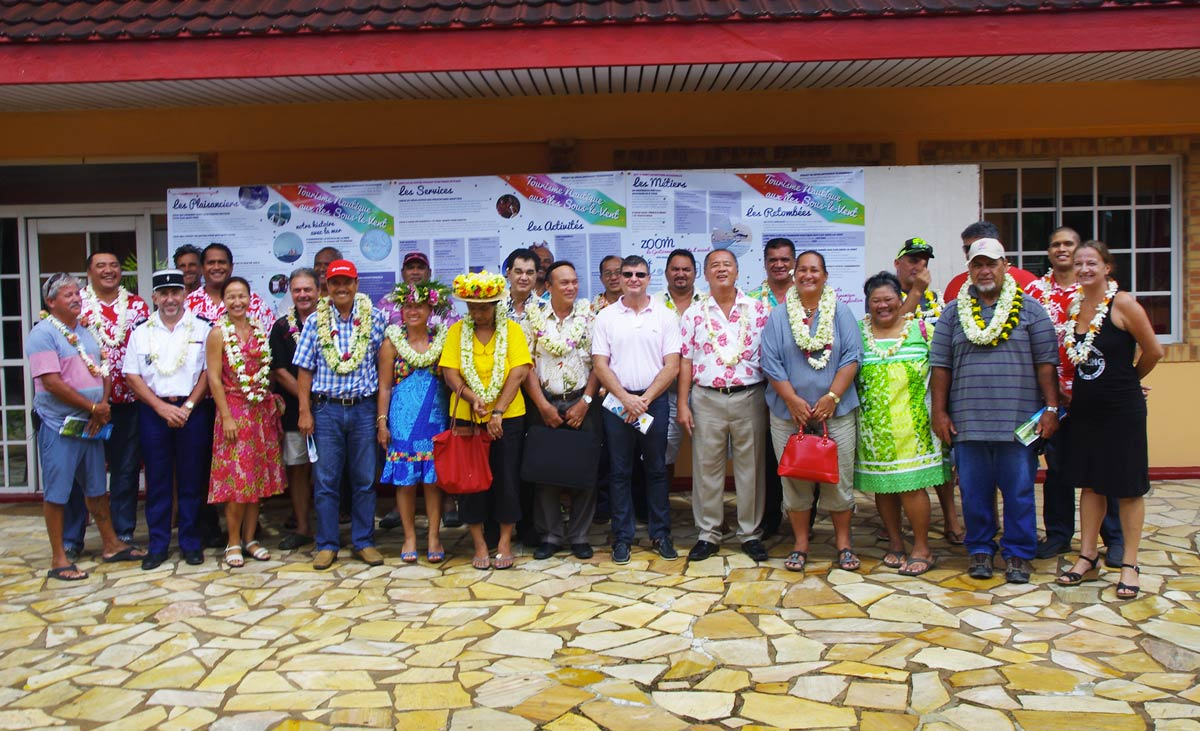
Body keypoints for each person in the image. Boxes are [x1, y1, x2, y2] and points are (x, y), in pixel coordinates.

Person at [930, 238, 1060, 584]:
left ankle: (1018, 554)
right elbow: (941, 366)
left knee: (1018, 491)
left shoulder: (1031, 309)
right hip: (968, 423)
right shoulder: (952, 314)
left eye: (991, 263)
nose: (984, 271)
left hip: (1018, 423)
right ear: (969, 270)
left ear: (1005, 265)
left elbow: (1046, 364)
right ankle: (981, 550)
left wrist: (1050, 408)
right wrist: (939, 412)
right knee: (973, 492)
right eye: (977, 265)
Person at [1057, 241, 1163, 599]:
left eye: (1092, 263)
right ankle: (1088, 556)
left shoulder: (1123, 304)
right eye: (1079, 264)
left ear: (1107, 268)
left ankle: (1130, 564)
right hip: (1086, 409)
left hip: (1122, 409)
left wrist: (1130, 380)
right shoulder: (1076, 307)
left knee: (1128, 487)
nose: (1084, 269)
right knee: (1090, 484)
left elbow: (1154, 350)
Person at [28, 273, 145, 580]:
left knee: (96, 487)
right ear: (51, 302)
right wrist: (93, 407)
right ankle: (59, 558)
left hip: (91, 424)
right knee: (59, 492)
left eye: (77, 293)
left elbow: (103, 368)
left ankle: (110, 543)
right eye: (68, 295)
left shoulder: (86, 330)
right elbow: (51, 382)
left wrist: (101, 407)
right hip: (59, 425)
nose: (76, 298)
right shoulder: (42, 334)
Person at [1026, 227, 1124, 563]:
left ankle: (1112, 538)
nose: (1062, 249)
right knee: (1059, 468)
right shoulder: (1034, 292)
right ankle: (1058, 534)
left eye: (1069, 243)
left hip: (1094, 393)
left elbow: (1123, 341)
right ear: (1049, 251)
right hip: (1052, 397)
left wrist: (1128, 380)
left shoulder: (1099, 293)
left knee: (1102, 467)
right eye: (1055, 244)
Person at [762, 251, 862, 573]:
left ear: (825, 275)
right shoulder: (779, 316)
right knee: (794, 479)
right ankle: (801, 542)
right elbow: (770, 361)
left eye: (814, 270)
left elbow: (851, 356)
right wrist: (791, 399)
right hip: (788, 414)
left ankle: (843, 543)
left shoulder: (841, 312)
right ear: (794, 275)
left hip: (837, 411)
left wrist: (832, 396)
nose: (808, 275)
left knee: (838, 476)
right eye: (802, 270)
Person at [855, 272, 951, 576]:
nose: (883, 306)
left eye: (888, 299)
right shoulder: (859, 332)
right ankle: (895, 543)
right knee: (883, 488)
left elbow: (941, 372)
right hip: (873, 428)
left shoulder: (922, 330)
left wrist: (941, 412)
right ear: (868, 304)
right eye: (876, 301)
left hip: (914, 425)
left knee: (911, 488)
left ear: (901, 299)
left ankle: (922, 547)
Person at [294, 259, 388, 570]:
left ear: (357, 284)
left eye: (347, 282)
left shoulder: (375, 319)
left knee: (363, 479)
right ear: (327, 288)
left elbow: (382, 366)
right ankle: (327, 543)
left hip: (363, 408)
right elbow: (304, 369)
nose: (342, 288)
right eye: (335, 283)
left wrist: (379, 415)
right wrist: (304, 411)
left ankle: (364, 541)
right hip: (326, 410)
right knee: (326, 480)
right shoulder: (313, 322)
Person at [678, 249, 770, 562]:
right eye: (714, 265)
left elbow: (768, 357)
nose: (721, 269)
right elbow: (686, 361)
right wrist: (682, 402)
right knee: (706, 468)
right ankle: (708, 534)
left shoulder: (758, 310)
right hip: (706, 398)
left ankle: (750, 534)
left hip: (749, 396)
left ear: (737, 270)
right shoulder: (694, 312)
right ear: (705, 274)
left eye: (727, 264)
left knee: (751, 469)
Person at [439, 271, 533, 570]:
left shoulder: (513, 331)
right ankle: (479, 543)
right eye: (473, 308)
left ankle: (504, 541)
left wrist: (497, 411)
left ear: (496, 305)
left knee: (506, 479)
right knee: (472, 483)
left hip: (508, 418)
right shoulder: (457, 332)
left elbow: (519, 371)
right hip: (469, 419)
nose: (478, 313)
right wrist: (471, 398)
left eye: (484, 307)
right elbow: (450, 373)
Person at [592, 255, 682, 564]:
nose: (633, 279)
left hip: (653, 401)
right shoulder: (606, 317)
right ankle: (623, 537)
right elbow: (600, 364)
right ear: (620, 277)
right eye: (627, 274)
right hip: (617, 402)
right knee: (620, 471)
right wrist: (626, 399)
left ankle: (660, 533)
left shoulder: (665, 316)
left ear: (648, 277)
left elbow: (672, 366)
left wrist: (643, 399)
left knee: (656, 469)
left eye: (639, 274)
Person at [62, 251, 150, 560]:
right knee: (78, 471)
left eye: (114, 265)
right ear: (89, 272)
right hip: (85, 405)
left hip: (127, 403)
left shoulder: (137, 306)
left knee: (125, 470)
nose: (109, 271)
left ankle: (122, 532)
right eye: (101, 266)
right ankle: (72, 538)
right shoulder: (76, 306)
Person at [124, 270, 213, 570]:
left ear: (184, 294)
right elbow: (132, 375)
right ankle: (158, 545)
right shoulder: (140, 331)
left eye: (176, 292)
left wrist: (187, 406)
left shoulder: (202, 329)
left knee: (191, 480)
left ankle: (190, 542)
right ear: (155, 298)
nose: (170, 299)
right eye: (164, 294)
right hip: (154, 412)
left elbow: (208, 373)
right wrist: (161, 408)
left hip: (193, 410)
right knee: (158, 482)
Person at [522, 261, 600, 560]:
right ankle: (551, 535)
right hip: (544, 403)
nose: (571, 287)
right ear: (549, 287)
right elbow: (525, 364)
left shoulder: (589, 316)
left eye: (574, 281)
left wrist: (586, 402)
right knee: (546, 472)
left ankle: (580, 535)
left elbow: (598, 362)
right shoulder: (533, 317)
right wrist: (542, 405)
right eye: (563, 283)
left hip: (582, 400)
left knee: (584, 469)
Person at [206, 277, 286, 567]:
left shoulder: (258, 331)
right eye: (231, 297)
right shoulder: (218, 334)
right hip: (234, 413)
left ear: (250, 298)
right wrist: (226, 415)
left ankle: (251, 539)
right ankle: (233, 542)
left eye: (241, 296)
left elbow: (267, 370)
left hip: (260, 413)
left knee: (257, 481)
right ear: (223, 301)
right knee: (237, 482)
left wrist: (271, 398)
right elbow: (213, 378)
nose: (237, 302)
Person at [890, 237, 964, 546]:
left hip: (933, 390)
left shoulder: (935, 301)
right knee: (895, 461)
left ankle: (950, 519)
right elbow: (896, 326)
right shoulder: (886, 295)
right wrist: (915, 292)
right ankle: (894, 525)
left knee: (942, 459)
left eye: (924, 261)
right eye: (913, 260)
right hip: (897, 392)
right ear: (898, 264)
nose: (919, 266)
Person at [377, 279, 453, 563]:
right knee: (405, 481)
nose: (412, 311)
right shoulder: (391, 343)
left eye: (418, 306)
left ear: (430, 308)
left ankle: (434, 535)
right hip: (402, 420)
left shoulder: (440, 340)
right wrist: (382, 422)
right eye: (407, 306)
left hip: (434, 418)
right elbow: (384, 386)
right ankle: (410, 535)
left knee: (433, 481)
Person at [748, 237, 796, 538]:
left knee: (805, 453)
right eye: (773, 259)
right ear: (765, 263)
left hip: (805, 391)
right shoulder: (752, 300)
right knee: (768, 457)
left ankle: (805, 515)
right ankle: (770, 518)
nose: (779, 264)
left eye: (785, 259)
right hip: (764, 392)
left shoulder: (809, 296)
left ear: (793, 262)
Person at [271, 268, 319, 551]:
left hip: (329, 407)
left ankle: (328, 527)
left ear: (318, 291)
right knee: (298, 468)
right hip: (294, 411)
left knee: (328, 469)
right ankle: (302, 526)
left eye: (308, 289)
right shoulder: (281, 327)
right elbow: (278, 369)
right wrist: (306, 396)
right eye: (297, 290)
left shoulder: (332, 322)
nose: (302, 295)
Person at [658, 249, 701, 478]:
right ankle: (660, 509)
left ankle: (705, 511)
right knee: (663, 450)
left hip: (703, 393)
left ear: (695, 273)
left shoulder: (708, 303)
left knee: (709, 451)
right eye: (675, 269)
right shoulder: (652, 304)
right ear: (666, 272)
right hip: (665, 393)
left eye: (686, 269)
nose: (680, 274)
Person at [185, 243, 274, 329]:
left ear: (231, 267)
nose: (216, 267)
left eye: (222, 262)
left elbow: (270, 337)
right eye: (211, 263)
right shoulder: (188, 304)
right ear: (202, 268)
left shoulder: (254, 302)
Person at [943, 221, 1036, 301]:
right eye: (967, 248)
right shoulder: (955, 284)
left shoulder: (1029, 282)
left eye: (975, 247)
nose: (969, 252)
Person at [503, 248, 541, 324]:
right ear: (508, 273)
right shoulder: (495, 306)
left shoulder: (545, 308)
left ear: (536, 275)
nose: (524, 278)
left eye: (529, 273)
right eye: (518, 272)